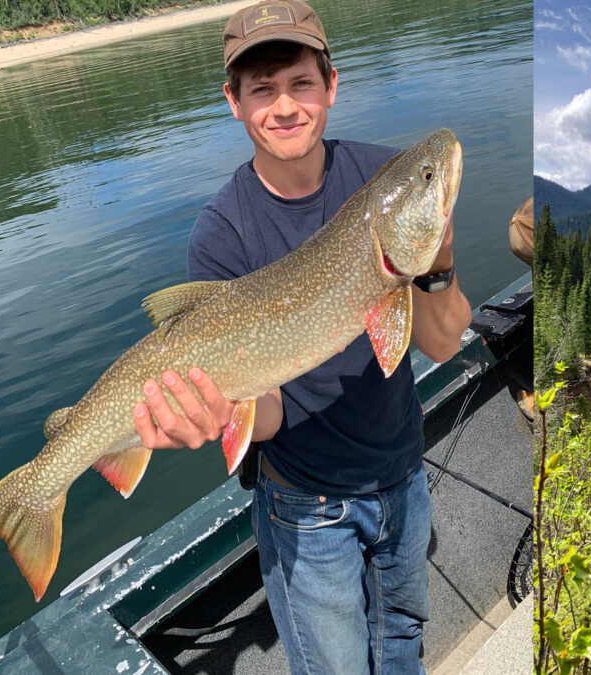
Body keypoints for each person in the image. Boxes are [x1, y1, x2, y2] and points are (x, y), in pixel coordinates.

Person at [130, 1, 471, 671]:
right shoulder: (223, 233)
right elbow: (270, 412)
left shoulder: (381, 177)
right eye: (262, 89)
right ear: (234, 101)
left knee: (403, 645)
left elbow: (439, 346)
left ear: (331, 85)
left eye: (301, 83)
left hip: (404, 475)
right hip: (306, 506)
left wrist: (438, 262)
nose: (285, 107)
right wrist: (217, 411)